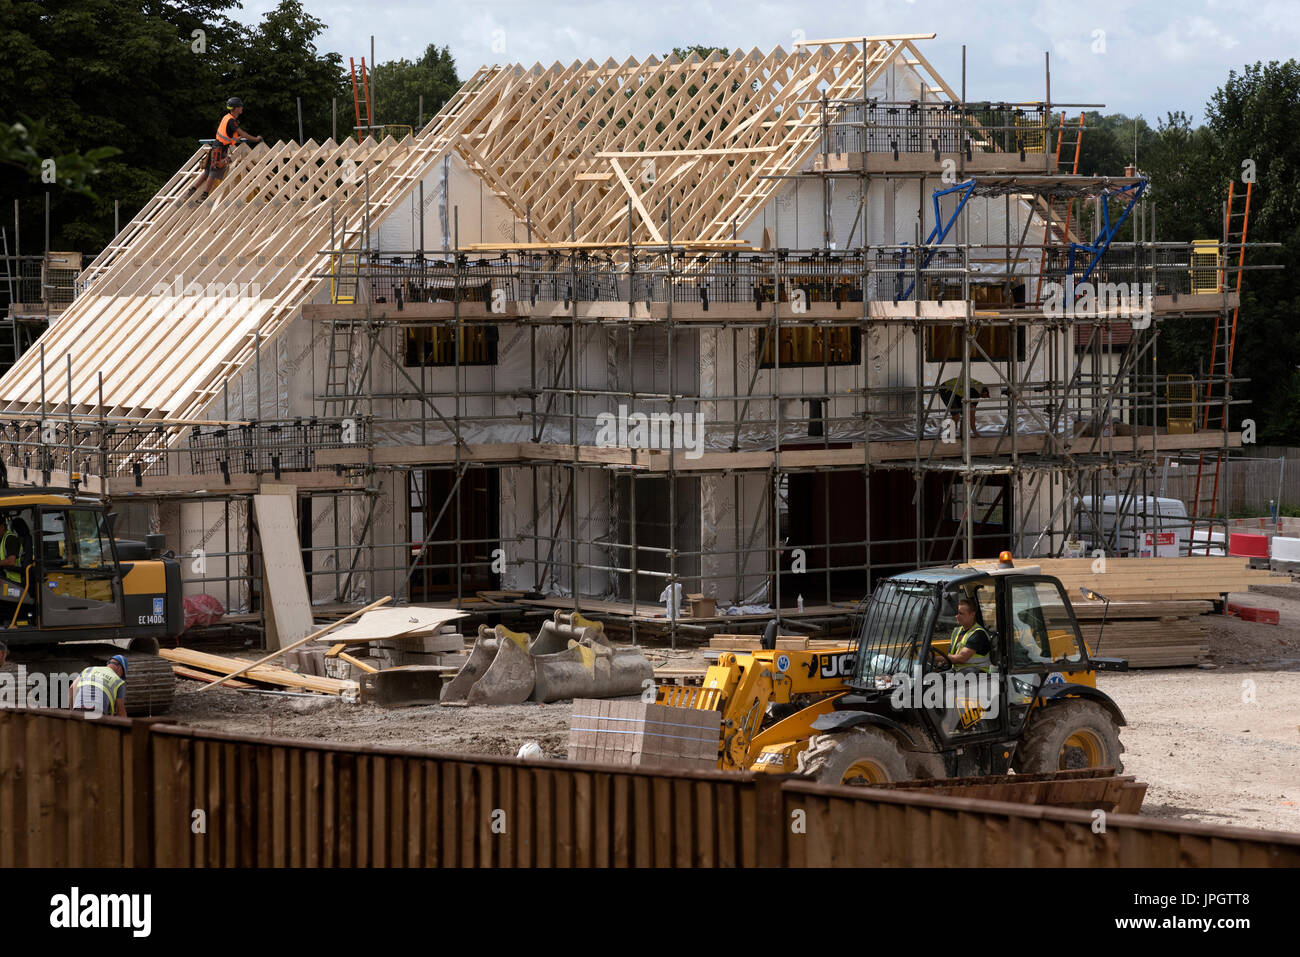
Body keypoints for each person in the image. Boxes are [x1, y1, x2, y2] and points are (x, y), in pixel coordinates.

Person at [184, 97, 263, 206]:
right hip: (220, 149)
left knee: (207, 171)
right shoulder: (231, 120)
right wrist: (256, 139)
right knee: (214, 171)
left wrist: (235, 139)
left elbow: (226, 135)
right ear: (235, 108)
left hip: (216, 147)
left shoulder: (226, 117)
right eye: (240, 107)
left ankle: (192, 189)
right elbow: (243, 134)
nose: (242, 108)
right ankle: (205, 194)